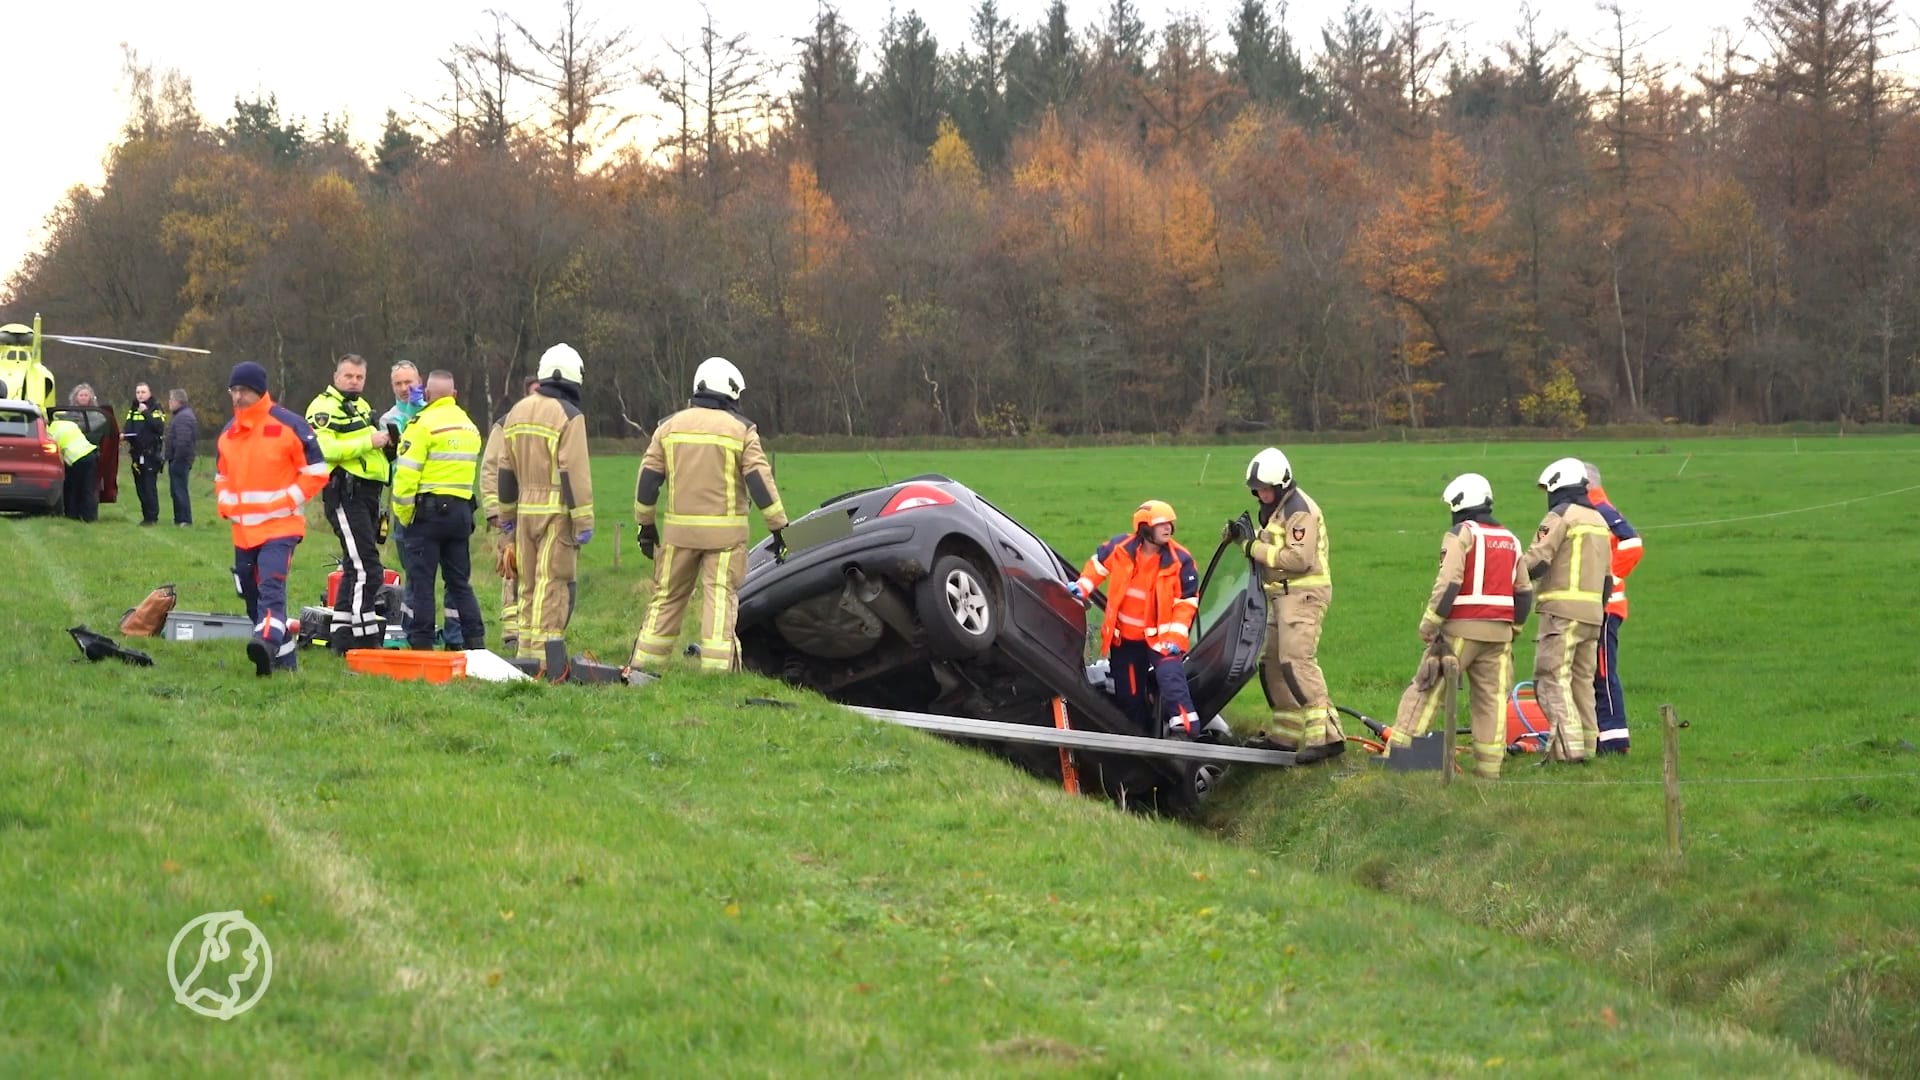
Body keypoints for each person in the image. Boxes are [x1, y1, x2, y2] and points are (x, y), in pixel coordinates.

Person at [628, 357, 789, 679]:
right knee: (719, 599)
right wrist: (779, 527)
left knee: (667, 597)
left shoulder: (667, 427)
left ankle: (644, 667)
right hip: (725, 538)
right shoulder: (741, 430)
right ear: (729, 392)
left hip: (678, 535)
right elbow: (759, 481)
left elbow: (648, 479)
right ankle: (716, 674)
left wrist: (646, 525)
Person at [1389, 473, 1534, 778]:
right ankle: (1489, 770)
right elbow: (1523, 592)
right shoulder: (1511, 539)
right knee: (1491, 702)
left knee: (1425, 691)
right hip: (1500, 635)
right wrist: (1515, 629)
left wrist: (1430, 622)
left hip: (1460, 632)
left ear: (1459, 504)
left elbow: (1449, 581)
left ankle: (1398, 757)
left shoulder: (1462, 533)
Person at [215, 361, 329, 676]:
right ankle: (282, 660)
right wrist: (225, 503)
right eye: (234, 390)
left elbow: (317, 472)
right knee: (251, 596)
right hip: (243, 533)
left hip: (281, 528)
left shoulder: (290, 425)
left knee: (270, 586)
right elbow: (222, 475)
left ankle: (265, 641)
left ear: (260, 391)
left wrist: (287, 500)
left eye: (244, 391)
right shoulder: (228, 433)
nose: (238, 397)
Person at [1237, 448, 1346, 762]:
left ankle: (1328, 737)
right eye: (1256, 489)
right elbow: (1273, 544)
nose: (1260, 493)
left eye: (1265, 488)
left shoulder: (1299, 511)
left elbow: (1299, 559)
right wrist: (1244, 538)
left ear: (1282, 484)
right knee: (1272, 665)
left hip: (1303, 595)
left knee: (1296, 661)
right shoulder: (1276, 509)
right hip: (1280, 597)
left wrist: (1252, 547)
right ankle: (1285, 735)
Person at [497, 343, 594, 680]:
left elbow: (505, 469)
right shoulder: (569, 415)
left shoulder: (517, 412)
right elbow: (574, 472)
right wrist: (583, 520)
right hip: (557, 512)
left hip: (524, 511)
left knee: (527, 582)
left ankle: (524, 652)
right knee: (552, 583)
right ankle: (544, 658)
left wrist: (507, 515)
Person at [1071, 500, 1204, 737]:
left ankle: (1186, 728)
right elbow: (1098, 566)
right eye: (1162, 525)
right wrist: (1082, 587)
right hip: (1125, 640)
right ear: (1144, 528)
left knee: (1171, 678)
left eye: (1170, 525)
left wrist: (1174, 637)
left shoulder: (1180, 560)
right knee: (1129, 694)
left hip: (1161, 638)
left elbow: (1186, 604)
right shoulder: (1120, 547)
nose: (1168, 529)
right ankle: (1139, 735)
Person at [1524, 457, 1613, 764]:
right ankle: (1588, 746)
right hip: (1593, 615)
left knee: (1551, 677)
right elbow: (1608, 578)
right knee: (1581, 682)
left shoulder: (1560, 515)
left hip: (1561, 613)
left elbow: (1536, 560)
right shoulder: (1600, 520)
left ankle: (1568, 750)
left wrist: (1509, 577)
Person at [390, 370, 485, 651]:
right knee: (459, 583)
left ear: (427, 395)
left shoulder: (421, 424)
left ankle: (421, 643)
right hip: (461, 514)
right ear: (454, 395)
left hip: (428, 516)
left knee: (422, 582)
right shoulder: (469, 426)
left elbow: (406, 478)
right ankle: (473, 642)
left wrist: (405, 517)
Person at [305, 354, 393, 653]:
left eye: (359, 377)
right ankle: (364, 639)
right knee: (369, 568)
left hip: (368, 493)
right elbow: (322, 447)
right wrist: (371, 442)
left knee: (355, 568)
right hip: (345, 492)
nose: (354, 381)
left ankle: (341, 638)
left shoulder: (362, 405)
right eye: (349, 376)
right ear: (336, 376)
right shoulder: (323, 407)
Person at [379, 360, 462, 648]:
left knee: (454, 577)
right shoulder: (388, 420)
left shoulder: (438, 411)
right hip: (407, 506)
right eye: (398, 384)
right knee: (416, 577)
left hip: (440, 504)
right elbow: (394, 465)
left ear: (422, 383)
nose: (405, 389)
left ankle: (455, 637)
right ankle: (413, 637)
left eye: (409, 383)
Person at [482, 374, 544, 657]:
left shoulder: (554, 424)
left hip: (543, 513)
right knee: (511, 568)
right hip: (512, 511)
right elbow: (491, 468)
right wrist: (495, 510)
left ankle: (537, 628)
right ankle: (511, 631)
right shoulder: (505, 424)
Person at [1584, 462, 1642, 755]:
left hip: (1607, 607)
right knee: (1593, 671)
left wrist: (1609, 579)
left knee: (1604, 672)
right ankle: (1599, 735)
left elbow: (1632, 543)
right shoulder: (1594, 509)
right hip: (1596, 605)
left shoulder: (1601, 509)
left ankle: (1615, 740)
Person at [124, 382, 167, 526]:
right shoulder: (133, 409)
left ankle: (152, 517)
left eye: (143, 392)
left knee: (149, 487)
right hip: (136, 454)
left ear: (149, 393)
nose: (140, 395)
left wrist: (146, 413)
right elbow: (128, 426)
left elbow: (159, 427)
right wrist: (125, 435)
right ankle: (145, 516)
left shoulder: (156, 407)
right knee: (140, 487)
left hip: (150, 454)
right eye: (138, 392)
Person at [48, 411, 99, 522]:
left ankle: (72, 515)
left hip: (76, 459)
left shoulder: (51, 431)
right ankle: (90, 517)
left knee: (72, 489)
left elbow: (57, 452)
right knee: (88, 488)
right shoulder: (71, 424)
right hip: (91, 454)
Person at [164, 389, 199, 526]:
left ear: (178, 401)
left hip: (180, 460)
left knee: (179, 490)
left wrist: (176, 460)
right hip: (179, 459)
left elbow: (183, 442)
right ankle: (179, 519)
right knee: (177, 490)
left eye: (171, 400)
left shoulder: (183, 417)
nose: (169, 403)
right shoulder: (182, 415)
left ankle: (184, 519)